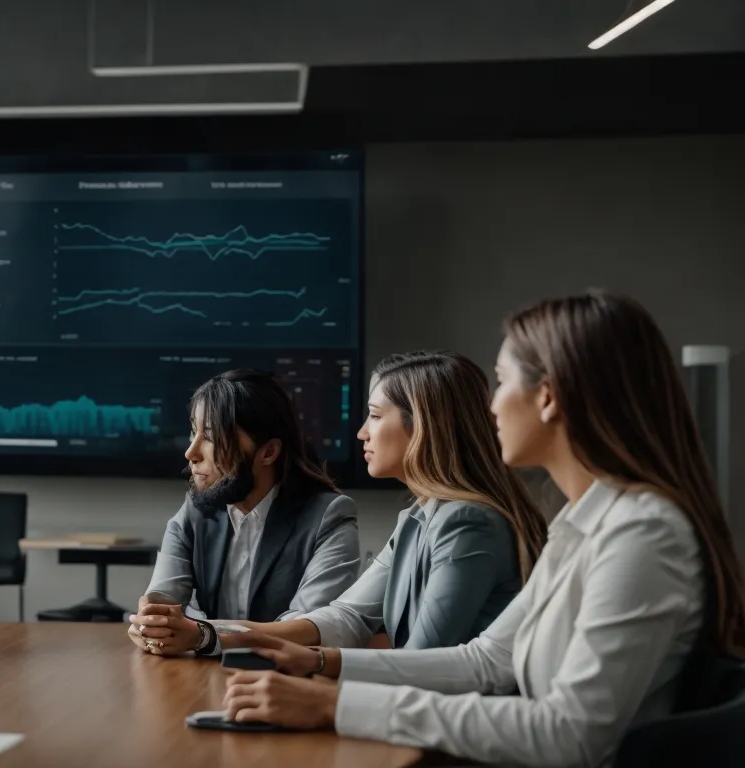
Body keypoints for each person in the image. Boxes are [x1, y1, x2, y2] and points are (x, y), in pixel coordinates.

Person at [222, 291, 745, 768]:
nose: (491, 404)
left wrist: (336, 704)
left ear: (548, 397)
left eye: (502, 381)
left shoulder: (643, 536)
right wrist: (320, 663)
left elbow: (572, 734)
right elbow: (486, 660)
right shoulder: (588, 519)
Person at [219, 351, 550, 651]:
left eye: (375, 417)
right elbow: (349, 615)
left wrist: (316, 667)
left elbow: (421, 659)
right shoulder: (418, 516)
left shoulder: (468, 523)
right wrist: (212, 634)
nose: (362, 432)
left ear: (423, 426)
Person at [127, 369, 360, 657]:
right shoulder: (195, 510)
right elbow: (162, 599)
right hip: (204, 680)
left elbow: (311, 627)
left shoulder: (329, 515)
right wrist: (152, 624)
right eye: (193, 431)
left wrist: (204, 636)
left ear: (268, 452)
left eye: (210, 436)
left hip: (288, 683)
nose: (191, 452)